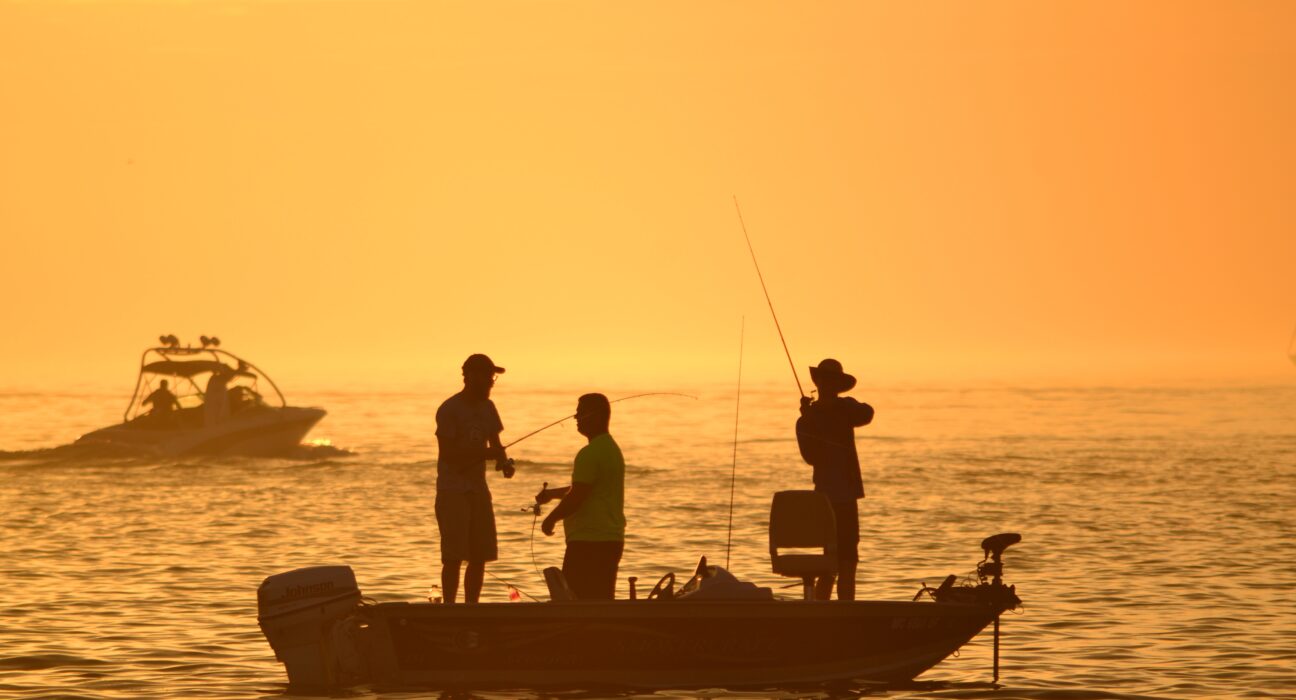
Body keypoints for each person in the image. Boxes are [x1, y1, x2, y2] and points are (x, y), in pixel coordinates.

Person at [435, 353, 514, 603]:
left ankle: (472, 607)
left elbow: (496, 444)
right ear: (470, 376)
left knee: (480, 555)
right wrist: (484, 454)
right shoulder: (449, 409)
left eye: (493, 377)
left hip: (479, 489)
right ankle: (449, 607)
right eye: (488, 377)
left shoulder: (488, 408)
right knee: (453, 556)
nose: (491, 382)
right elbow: (447, 454)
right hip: (452, 490)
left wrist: (503, 462)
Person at [796, 358, 874, 601]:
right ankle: (822, 609)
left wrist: (834, 409)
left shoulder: (846, 410)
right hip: (826, 497)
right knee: (829, 562)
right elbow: (810, 457)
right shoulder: (806, 420)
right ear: (818, 382)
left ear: (839, 385)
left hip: (847, 495)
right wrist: (812, 420)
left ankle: (845, 609)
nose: (829, 385)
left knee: (848, 560)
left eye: (834, 381)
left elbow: (868, 413)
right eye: (826, 380)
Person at [539, 393, 626, 600]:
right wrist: (552, 494)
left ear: (597, 416)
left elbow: (577, 496)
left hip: (589, 542)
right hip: (610, 539)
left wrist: (551, 519)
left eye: (581, 413)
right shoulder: (611, 449)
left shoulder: (590, 453)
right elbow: (587, 488)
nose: (576, 418)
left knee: (578, 603)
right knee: (601, 601)